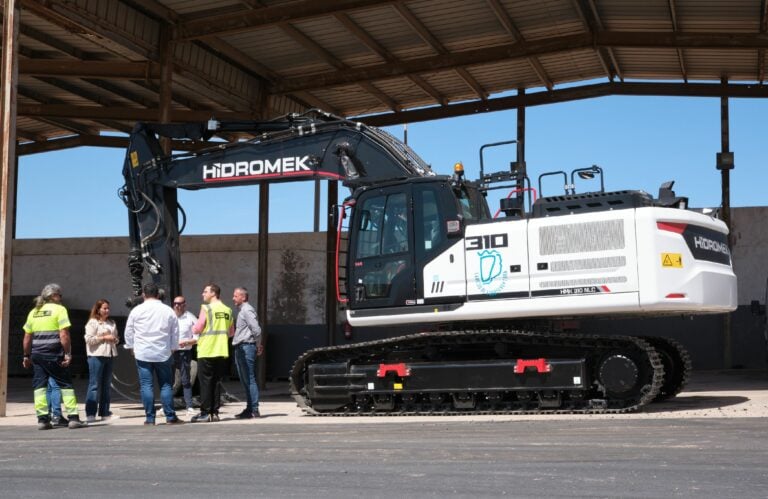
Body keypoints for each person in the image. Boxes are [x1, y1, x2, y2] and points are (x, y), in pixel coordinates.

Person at [22, 283, 86, 430]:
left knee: (39, 387)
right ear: (53, 296)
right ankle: (73, 418)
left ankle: (43, 420)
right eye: (59, 295)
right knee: (65, 385)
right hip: (54, 354)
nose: (61, 297)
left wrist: (26, 355)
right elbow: (64, 334)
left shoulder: (34, 312)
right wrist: (68, 353)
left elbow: (27, 337)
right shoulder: (60, 310)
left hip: (37, 355)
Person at [124, 283, 183, 425]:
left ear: (144, 295)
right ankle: (170, 416)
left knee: (146, 385)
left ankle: (150, 418)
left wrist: (131, 346)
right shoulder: (168, 310)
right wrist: (173, 347)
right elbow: (175, 332)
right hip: (163, 352)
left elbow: (129, 331)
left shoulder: (136, 311)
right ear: (158, 294)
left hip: (143, 352)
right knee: (166, 385)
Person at [190, 283, 233, 423]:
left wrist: (193, 328)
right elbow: (231, 332)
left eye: (205, 291)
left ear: (213, 293)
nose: (203, 294)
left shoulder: (206, 308)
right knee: (216, 382)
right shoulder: (228, 310)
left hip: (207, 349)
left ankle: (205, 412)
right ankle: (214, 412)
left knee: (205, 383)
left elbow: (198, 328)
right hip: (222, 350)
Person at [84, 299, 119, 423]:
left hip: (109, 355)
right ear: (98, 309)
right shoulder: (92, 323)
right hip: (96, 356)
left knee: (106, 385)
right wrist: (104, 337)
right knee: (94, 385)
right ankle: (90, 413)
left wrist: (114, 339)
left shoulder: (111, 323)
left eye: (108, 308)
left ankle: (105, 412)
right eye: (104, 308)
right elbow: (89, 340)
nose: (107, 310)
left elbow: (116, 338)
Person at [231, 287, 263, 419]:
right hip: (241, 346)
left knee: (249, 378)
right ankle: (249, 408)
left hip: (246, 347)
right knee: (245, 379)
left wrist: (258, 344)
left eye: (236, 296)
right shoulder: (242, 310)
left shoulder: (247, 309)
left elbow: (256, 329)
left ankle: (254, 409)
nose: (233, 298)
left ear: (243, 297)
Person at [172, 295, 198, 417]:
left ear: (184, 305)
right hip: (169, 352)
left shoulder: (190, 317)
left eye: (179, 303)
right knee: (168, 380)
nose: (177, 305)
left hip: (184, 351)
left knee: (185, 379)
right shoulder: (169, 316)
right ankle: (166, 405)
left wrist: (187, 342)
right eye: (175, 303)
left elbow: (198, 337)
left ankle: (189, 406)